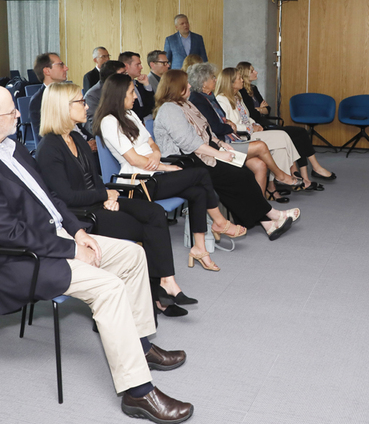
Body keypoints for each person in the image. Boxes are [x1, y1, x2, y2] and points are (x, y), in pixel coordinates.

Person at [0, 85, 193, 424]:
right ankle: (137, 393)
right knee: (108, 287)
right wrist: (72, 249)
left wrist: (78, 230)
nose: (19, 114)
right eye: (11, 112)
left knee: (133, 256)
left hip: (55, 239)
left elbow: (49, 197)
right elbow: (10, 235)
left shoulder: (11, 146)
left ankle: (139, 345)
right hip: (20, 262)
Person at [35, 81, 196, 315]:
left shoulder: (77, 139)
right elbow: (65, 197)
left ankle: (164, 283)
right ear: (63, 108)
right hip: (81, 215)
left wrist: (109, 196)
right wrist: (105, 195)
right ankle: (156, 296)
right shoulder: (49, 148)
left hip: (98, 202)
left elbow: (95, 178)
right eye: (80, 102)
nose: (86, 107)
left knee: (155, 213)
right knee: (144, 228)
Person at [94, 74, 246, 271]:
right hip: (138, 183)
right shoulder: (109, 122)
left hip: (153, 174)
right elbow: (134, 160)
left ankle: (200, 248)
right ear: (119, 95)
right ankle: (219, 222)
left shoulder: (129, 114)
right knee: (200, 174)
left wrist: (157, 155)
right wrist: (164, 166)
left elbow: (151, 142)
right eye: (132, 92)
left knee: (198, 191)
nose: (135, 96)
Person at [153, 70, 298, 241]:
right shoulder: (169, 109)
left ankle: (267, 222)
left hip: (198, 155)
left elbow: (206, 130)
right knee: (237, 176)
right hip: (182, 161)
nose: (190, 85)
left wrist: (222, 144)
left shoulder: (184, 104)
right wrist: (218, 154)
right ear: (177, 86)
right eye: (186, 83)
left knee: (240, 174)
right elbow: (188, 143)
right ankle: (270, 215)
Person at [188, 63, 302, 201]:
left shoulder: (210, 97)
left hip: (231, 138)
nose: (215, 80)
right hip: (222, 143)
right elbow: (216, 128)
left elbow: (230, 120)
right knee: (266, 144)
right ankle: (283, 175)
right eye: (212, 77)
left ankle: (261, 205)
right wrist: (231, 127)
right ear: (203, 82)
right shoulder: (200, 100)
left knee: (262, 163)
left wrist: (245, 124)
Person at [236, 62, 335, 187]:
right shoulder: (242, 92)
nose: (256, 72)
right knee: (298, 134)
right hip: (260, 127)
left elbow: (268, 109)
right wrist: (261, 109)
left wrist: (260, 109)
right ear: (245, 74)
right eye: (252, 71)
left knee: (299, 133)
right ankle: (310, 173)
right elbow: (252, 114)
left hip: (266, 123)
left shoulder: (253, 89)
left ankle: (308, 174)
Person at [85, 60, 126, 133]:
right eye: (122, 74)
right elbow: (94, 124)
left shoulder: (122, 90)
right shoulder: (92, 95)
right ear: (111, 78)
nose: (126, 77)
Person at [119, 51, 155, 122]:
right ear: (126, 66)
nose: (141, 67)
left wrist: (146, 84)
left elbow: (151, 105)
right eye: (137, 65)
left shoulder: (139, 84)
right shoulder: (120, 86)